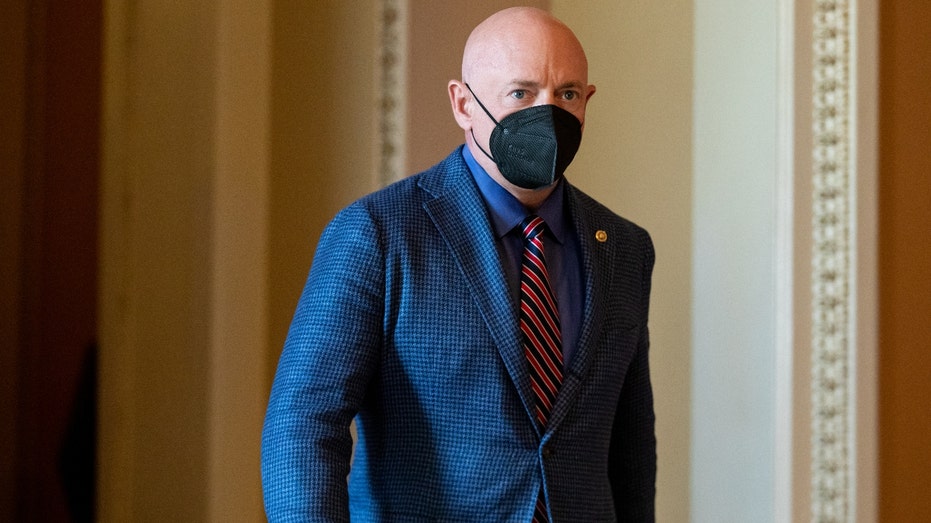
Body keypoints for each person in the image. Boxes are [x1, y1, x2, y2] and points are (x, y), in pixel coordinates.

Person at [262, 6, 656, 522]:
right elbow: (304, 424)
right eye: (521, 93)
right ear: (463, 104)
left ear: (588, 101)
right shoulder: (379, 234)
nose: (548, 113)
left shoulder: (624, 248)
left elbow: (630, 447)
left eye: (566, 94)